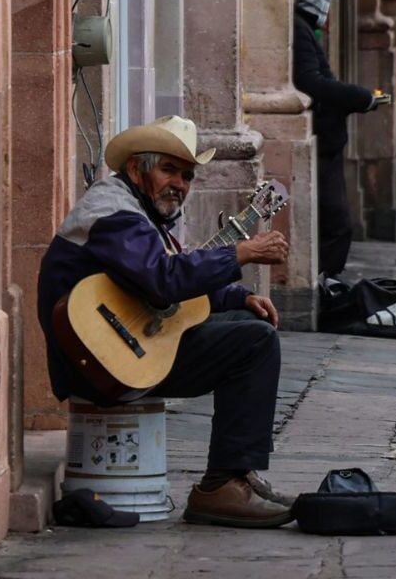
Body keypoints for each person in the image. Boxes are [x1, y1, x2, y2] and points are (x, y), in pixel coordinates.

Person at [37, 115, 295, 528]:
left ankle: (238, 473)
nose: (179, 184)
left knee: (244, 319)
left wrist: (239, 295)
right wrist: (239, 254)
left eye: (188, 176)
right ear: (138, 168)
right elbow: (162, 281)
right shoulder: (113, 213)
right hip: (103, 360)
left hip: (121, 348)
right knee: (255, 343)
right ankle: (222, 484)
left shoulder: (139, 214)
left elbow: (162, 282)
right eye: (169, 170)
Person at [292, 0, 380, 279]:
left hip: (327, 138)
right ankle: (326, 284)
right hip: (322, 138)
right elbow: (311, 82)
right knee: (336, 222)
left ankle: (327, 282)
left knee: (335, 222)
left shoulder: (301, 28)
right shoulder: (298, 29)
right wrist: (358, 96)